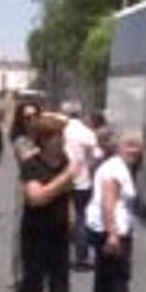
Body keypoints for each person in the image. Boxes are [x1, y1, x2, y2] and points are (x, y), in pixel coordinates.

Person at [3, 114, 82, 292]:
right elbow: (36, 197)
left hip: (59, 230)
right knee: (33, 282)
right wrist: (66, 177)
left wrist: (71, 214)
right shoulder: (32, 164)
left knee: (60, 280)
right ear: (45, 139)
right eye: (58, 137)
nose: (62, 141)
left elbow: (67, 193)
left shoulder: (63, 161)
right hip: (36, 232)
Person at [84, 132, 146, 292]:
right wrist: (113, 233)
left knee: (104, 274)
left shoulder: (114, 166)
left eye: (137, 146)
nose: (134, 150)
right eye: (129, 145)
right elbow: (108, 201)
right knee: (119, 275)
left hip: (102, 226)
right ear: (118, 146)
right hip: (112, 228)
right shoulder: (116, 169)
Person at [6, 100, 42, 286]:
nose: (32, 120)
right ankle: (17, 273)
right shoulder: (20, 139)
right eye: (27, 117)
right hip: (26, 185)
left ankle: (37, 270)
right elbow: (27, 158)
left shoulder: (43, 136)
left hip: (45, 183)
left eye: (35, 116)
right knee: (21, 229)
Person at [63, 101, 99, 271]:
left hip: (61, 178)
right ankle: (81, 256)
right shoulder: (87, 133)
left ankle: (59, 253)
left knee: (60, 215)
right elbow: (94, 156)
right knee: (81, 216)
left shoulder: (61, 131)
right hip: (82, 180)